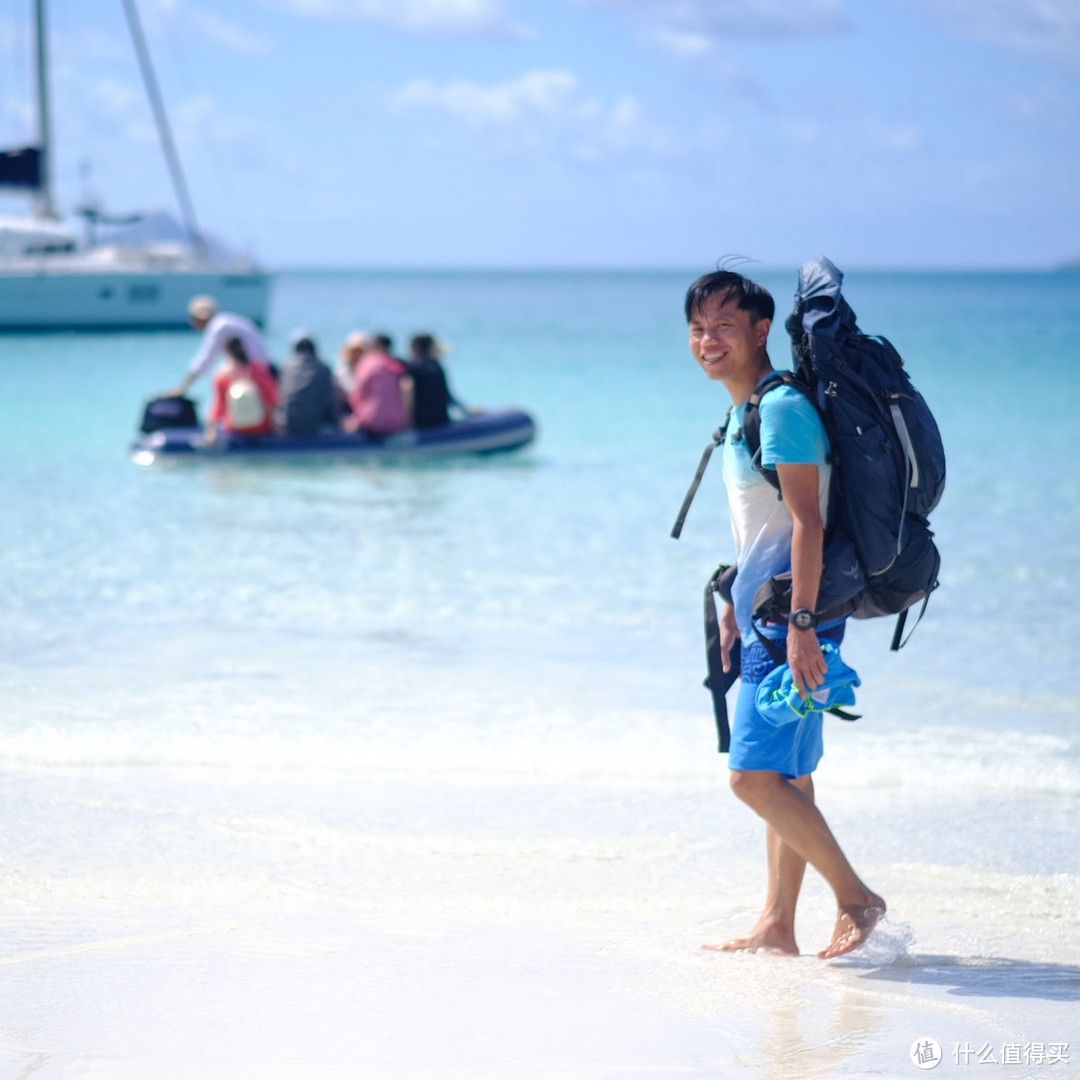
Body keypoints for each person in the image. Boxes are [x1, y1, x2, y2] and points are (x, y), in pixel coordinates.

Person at [684, 268, 885, 960]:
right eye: (699, 328)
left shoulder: (781, 410)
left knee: (752, 779)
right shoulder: (749, 411)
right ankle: (776, 925)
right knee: (789, 777)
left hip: (792, 620)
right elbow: (764, 528)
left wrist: (800, 627)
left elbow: (808, 524)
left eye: (725, 326)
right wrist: (735, 603)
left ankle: (857, 899)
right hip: (769, 613)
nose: (709, 341)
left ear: (762, 330)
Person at [172, 295, 271, 398]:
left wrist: (182, 388)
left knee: (221, 381)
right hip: (262, 370)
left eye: (193, 318)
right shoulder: (227, 321)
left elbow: (205, 359)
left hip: (256, 372)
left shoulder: (220, 327)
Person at [207, 335, 278, 437]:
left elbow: (219, 406)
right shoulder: (259, 370)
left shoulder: (222, 377)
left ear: (227, 353)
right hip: (262, 427)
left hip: (235, 428)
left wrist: (211, 430)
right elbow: (273, 399)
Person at [343, 332, 411, 435]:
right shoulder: (397, 365)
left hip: (372, 422)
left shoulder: (368, 364)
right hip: (397, 422)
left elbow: (357, 397)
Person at [274, 331, 339, 436]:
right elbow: (330, 402)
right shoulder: (322, 368)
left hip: (288, 426)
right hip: (315, 427)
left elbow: (279, 398)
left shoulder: (285, 368)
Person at [404, 333, 465, 429]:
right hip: (441, 419)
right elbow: (447, 396)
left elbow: (407, 393)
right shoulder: (436, 366)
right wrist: (465, 410)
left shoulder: (411, 366)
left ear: (414, 348)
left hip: (421, 422)